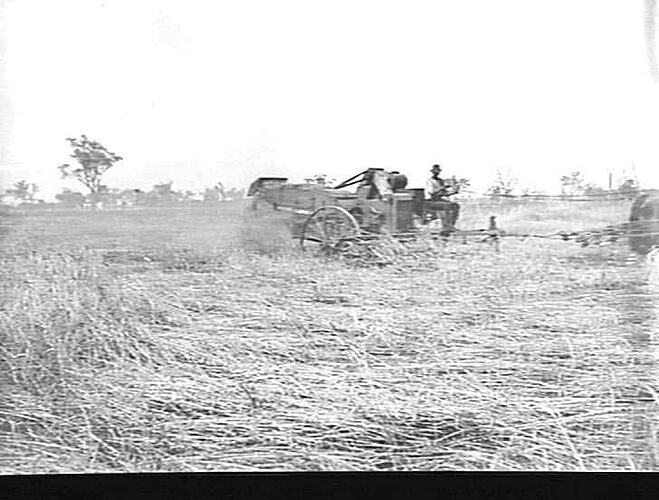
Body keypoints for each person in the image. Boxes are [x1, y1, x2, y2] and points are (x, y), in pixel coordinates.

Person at [424, 164, 460, 231]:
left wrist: (454, 192)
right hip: (431, 201)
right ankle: (446, 226)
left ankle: (451, 225)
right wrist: (441, 188)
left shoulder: (441, 181)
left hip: (440, 200)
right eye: (435, 171)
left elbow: (445, 194)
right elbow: (431, 193)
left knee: (456, 205)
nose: (437, 173)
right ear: (432, 172)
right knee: (447, 206)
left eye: (438, 171)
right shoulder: (430, 181)